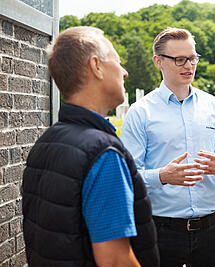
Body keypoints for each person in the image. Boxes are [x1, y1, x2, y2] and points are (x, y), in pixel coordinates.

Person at [22, 26, 159, 267]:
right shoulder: (102, 154)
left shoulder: (46, 142)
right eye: (117, 61)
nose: (125, 72)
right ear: (96, 66)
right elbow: (115, 260)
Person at [120, 27, 215, 267]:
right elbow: (126, 175)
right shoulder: (140, 112)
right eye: (179, 59)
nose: (189, 66)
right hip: (161, 231)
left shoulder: (214, 107)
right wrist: (162, 176)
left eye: (193, 58)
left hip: (211, 231)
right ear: (159, 62)